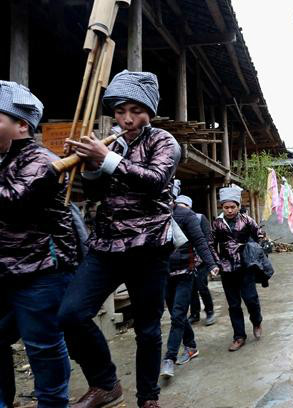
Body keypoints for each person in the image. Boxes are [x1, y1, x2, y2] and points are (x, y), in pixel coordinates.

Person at [58, 70, 181, 408]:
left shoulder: (164, 142)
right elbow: (91, 193)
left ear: (150, 111)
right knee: (70, 314)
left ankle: (148, 397)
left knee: (148, 329)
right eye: (120, 111)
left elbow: (155, 180)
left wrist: (107, 158)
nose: (127, 119)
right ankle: (105, 383)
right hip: (106, 246)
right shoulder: (109, 140)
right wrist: (85, 164)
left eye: (136, 110)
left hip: (150, 246)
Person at [0, 81, 76, 408]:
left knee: (43, 347)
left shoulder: (42, 160)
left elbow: (12, 202)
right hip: (4, 271)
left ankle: (53, 403)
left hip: (40, 272)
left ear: (21, 125)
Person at [160, 195, 219, 379]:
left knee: (178, 314)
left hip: (186, 272)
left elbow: (200, 241)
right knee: (176, 314)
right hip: (165, 274)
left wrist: (211, 264)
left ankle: (169, 358)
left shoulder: (186, 215)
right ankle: (191, 346)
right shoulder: (155, 214)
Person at [212, 186, 263, 352]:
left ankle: (256, 321)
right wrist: (217, 262)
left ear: (238, 206)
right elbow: (210, 244)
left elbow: (259, 235)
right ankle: (239, 336)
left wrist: (253, 249)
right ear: (222, 207)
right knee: (233, 304)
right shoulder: (217, 224)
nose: (229, 210)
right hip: (227, 269)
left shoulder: (247, 220)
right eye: (226, 207)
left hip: (245, 266)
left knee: (251, 299)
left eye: (232, 207)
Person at [188, 211, 217, 326]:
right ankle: (195, 314)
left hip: (201, 259)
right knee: (191, 288)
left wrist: (211, 261)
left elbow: (208, 240)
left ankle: (209, 311)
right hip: (187, 260)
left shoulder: (200, 218)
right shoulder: (178, 218)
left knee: (201, 286)